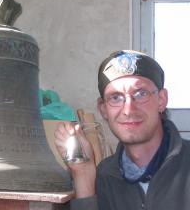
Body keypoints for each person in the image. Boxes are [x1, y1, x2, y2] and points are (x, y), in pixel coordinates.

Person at [54, 50, 190, 210]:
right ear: (103, 109)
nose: (128, 110)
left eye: (141, 94)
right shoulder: (103, 177)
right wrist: (83, 173)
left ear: (161, 100)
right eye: (116, 97)